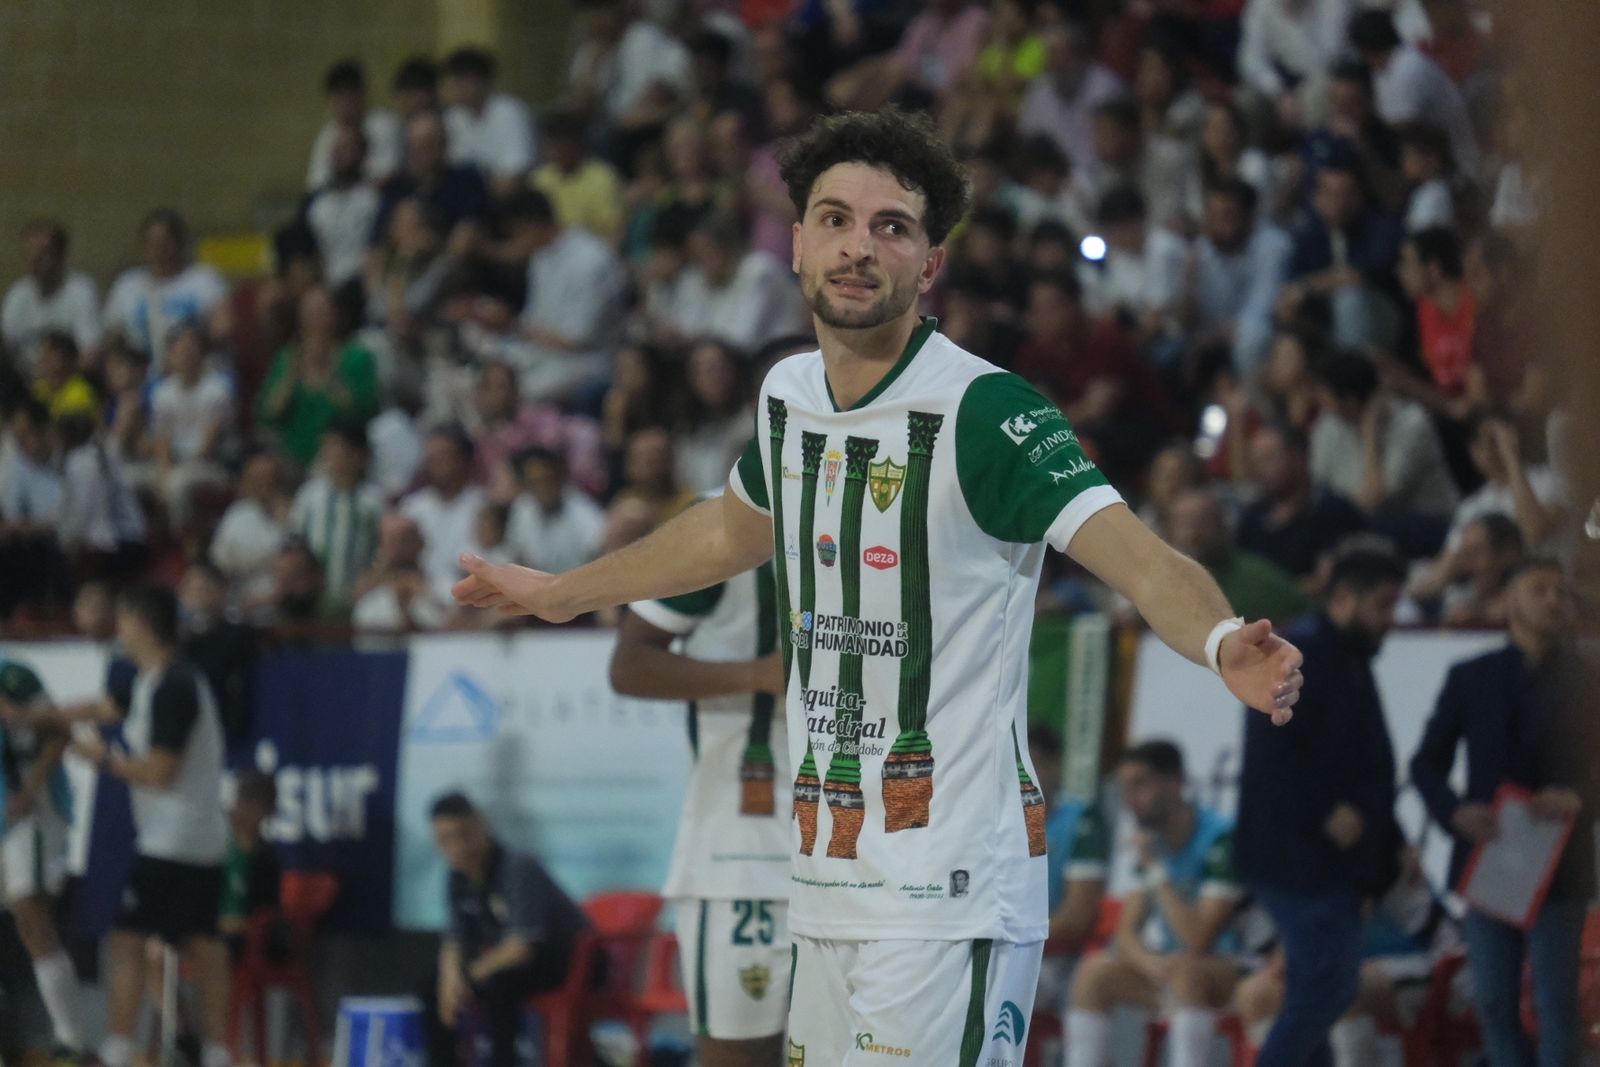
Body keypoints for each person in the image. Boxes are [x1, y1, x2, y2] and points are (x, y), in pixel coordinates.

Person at [454, 108, 1304, 1064]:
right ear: (797, 246)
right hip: (824, 874)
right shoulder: (789, 396)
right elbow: (733, 527)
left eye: (892, 227)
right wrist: (567, 591)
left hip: (950, 886)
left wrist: (1224, 637)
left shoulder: (987, 411)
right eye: (835, 219)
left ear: (929, 264)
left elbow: (1142, 558)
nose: (860, 246)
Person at [1410, 558, 1598, 1067]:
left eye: (1562, 592)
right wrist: (1453, 812)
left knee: (1556, 1003)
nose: (1554, 601)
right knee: (1493, 1000)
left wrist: (1581, 797)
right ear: (1510, 602)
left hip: (1560, 856)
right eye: (1540, 590)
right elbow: (1426, 764)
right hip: (1490, 851)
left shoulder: (1590, 680)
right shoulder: (1471, 678)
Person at [610, 554, 790, 1067]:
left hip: (862, 849)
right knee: (739, 1055)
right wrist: (758, 674)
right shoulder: (723, 529)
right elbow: (629, 664)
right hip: (744, 856)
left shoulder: (887, 517)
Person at [1236, 547, 1409, 1067]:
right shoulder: (1301, 654)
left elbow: (1370, 764)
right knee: (1329, 986)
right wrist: (1325, 810)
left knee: (1324, 986)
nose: (1389, 620)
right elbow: (1270, 750)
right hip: (1297, 857)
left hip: (1329, 861)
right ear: (1342, 597)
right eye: (1381, 605)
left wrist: (1389, 840)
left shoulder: (1349, 660)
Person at [69, 584, 232, 1067]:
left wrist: (103, 761)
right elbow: (103, 706)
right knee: (203, 944)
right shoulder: (151, 681)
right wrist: (39, 715)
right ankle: (217, 1053)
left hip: (174, 840)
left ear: (140, 621)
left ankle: (118, 1048)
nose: (118, 629)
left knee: (127, 939)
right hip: (196, 838)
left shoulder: (175, 687)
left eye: (123, 619)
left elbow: (161, 772)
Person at [1066, 741, 1248, 1067]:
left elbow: (1198, 939)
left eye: (1140, 784)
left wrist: (1154, 870)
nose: (1129, 798)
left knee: (1188, 971)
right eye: (1125, 787)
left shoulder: (1221, 839)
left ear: (1175, 782)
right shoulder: (1154, 842)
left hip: (1231, 972)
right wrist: (1153, 965)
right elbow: (1125, 934)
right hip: (1174, 971)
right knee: (1094, 972)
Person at [425, 792, 590, 1067]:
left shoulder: (517, 867)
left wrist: (469, 976)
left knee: (501, 981)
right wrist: (450, 979)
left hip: (570, 962)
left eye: (463, 835)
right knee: (432, 987)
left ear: (481, 825)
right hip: (517, 965)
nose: (456, 847)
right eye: (445, 840)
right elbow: (454, 939)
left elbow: (521, 948)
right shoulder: (457, 877)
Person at [0, 655, 86, 1056]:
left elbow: (60, 730)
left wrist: (32, 787)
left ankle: (70, 1038)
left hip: (29, 814)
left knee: (32, 918)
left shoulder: (12, 675)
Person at [1309, 353, 1458, 554]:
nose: (1321, 404)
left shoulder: (1413, 425)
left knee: (1369, 529)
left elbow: (1376, 501)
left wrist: (1370, 434)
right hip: (1363, 531)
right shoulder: (1328, 426)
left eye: (1326, 398)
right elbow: (1317, 489)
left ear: (1351, 403)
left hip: (1426, 528)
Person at [255, 283, 381, 469]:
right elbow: (267, 415)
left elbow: (365, 411)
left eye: (321, 312)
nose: (315, 320)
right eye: (309, 313)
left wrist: (329, 374)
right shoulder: (287, 357)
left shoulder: (356, 356)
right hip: (289, 459)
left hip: (339, 460)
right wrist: (291, 378)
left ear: (336, 315)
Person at [1348, 9, 1480, 179]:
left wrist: (1360, 122)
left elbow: (1404, 126)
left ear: (1366, 51)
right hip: (1427, 158)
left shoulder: (1410, 67)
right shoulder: (1382, 70)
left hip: (1455, 162)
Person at [1236, 423, 1367, 593]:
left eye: (1268, 459)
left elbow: (1332, 580)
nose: (1260, 470)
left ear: (1298, 457)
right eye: (1256, 462)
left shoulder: (1333, 511)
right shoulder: (1252, 518)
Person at [1189, 178, 1293, 378]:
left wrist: (1212, 337)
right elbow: (1186, 322)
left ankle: (1257, 407)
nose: (1217, 224)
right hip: (1213, 338)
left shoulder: (1273, 246)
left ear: (1249, 216)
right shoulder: (1201, 251)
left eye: (1227, 215)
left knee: (1250, 341)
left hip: (1268, 335)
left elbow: (1261, 312)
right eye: (1213, 215)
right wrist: (1188, 282)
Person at [103, 209, 231, 371]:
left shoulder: (204, 280)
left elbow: (222, 328)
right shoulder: (127, 285)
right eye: (152, 244)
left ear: (179, 243)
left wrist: (185, 353)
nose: (158, 250)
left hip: (198, 374)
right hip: (144, 378)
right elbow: (112, 338)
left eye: (165, 243)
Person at [1167, 486, 1312, 624]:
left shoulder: (1257, 576)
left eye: (1202, 522)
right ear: (1171, 531)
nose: (1194, 533)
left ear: (1222, 525)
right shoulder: (1163, 581)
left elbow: (1304, 616)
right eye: (1185, 524)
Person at [289, 421, 383, 609]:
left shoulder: (373, 501)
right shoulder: (309, 497)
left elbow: (381, 552)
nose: (327, 453)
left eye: (334, 446)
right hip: (310, 602)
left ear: (357, 455)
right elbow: (294, 543)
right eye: (326, 446)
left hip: (357, 600)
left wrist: (372, 579)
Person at [149, 322, 234, 528]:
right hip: (176, 466)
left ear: (202, 354)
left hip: (213, 465)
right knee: (130, 478)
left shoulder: (216, 390)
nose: (185, 355)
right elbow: (162, 443)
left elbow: (208, 448)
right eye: (179, 349)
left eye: (191, 349)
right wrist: (163, 473)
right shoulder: (163, 393)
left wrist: (170, 477)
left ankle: (181, 543)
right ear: (171, 354)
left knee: (177, 484)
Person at [1017, 22, 1125, 182]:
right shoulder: (1039, 90)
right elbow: (1028, 140)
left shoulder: (1106, 88)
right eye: (1049, 54)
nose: (1052, 62)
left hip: (1101, 178)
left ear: (1077, 53)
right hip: (1050, 183)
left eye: (1058, 54)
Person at [2, 219, 101, 371]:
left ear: (60, 255)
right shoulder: (18, 294)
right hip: (25, 384)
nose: (34, 259)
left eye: (42, 253)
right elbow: (6, 345)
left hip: (68, 381)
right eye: (30, 252)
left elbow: (90, 353)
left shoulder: (81, 291)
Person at [403, 428, 487, 605]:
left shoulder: (483, 506)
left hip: (468, 598)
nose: (435, 463)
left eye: (443, 456)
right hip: (420, 595)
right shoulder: (412, 507)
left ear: (464, 460)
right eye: (431, 457)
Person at [178, 562, 259, 744]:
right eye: (192, 589)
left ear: (222, 591)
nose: (198, 595)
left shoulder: (237, 635)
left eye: (205, 588)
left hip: (222, 728)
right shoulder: (175, 639)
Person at [441, 47, 537, 199]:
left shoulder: (510, 112)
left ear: (478, 80)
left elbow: (516, 175)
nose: (454, 88)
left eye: (459, 80)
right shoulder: (452, 118)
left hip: (510, 199)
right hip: (467, 201)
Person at [301, 123, 382, 288]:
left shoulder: (375, 199)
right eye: (335, 148)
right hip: (325, 286)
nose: (337, 153)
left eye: (346, 148)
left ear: (362, 153)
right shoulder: (315, 204)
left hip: (363, 285)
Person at [506, 448, 607, 576]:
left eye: (547, 479)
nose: (543, 488)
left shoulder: (586, 515)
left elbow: (599, 562)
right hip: (535, 587)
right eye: (534, 482)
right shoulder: (522, 506)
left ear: (560, 476)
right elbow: (518, 555)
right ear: (524, 484)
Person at [305, 59, 401, 190]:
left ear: (360, 96)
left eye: (346, 97)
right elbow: (316, 183)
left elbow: (386, 175)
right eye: (336, 99)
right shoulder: (328, 133)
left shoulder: (384, 125)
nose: (342, 106)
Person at [210, 450, 290, 607]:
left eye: (271, 477)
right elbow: (219, 565)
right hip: (241, 602)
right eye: (258, 478)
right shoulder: (237, 515)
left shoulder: (295, 513)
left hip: (286, 604)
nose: (266, 483)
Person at [531, 109, 625, 241]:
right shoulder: (539, 178)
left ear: (575, 143)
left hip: (591, 249)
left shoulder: (602, 177)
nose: (553, 151)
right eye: (550, 144)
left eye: (559, 144)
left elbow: (613, 230)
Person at [218, 770, 281, 953]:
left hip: (247, 950)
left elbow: (263, 921)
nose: (239, 809)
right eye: (240, 800)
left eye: (250, 802)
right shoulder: (217, 853)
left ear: (266, 810)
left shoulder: (266, 860)